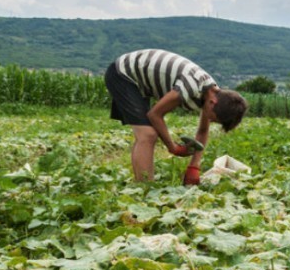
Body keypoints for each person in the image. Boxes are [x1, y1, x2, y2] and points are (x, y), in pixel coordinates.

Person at [104, 49, 248, 185]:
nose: (209, 120)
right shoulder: (191, 85)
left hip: (139, 82)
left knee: (146, 135)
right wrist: (173, 147)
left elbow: (203, 131)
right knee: (148, 135)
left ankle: (140, 184)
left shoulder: (212, 93)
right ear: (212, 103)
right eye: (213, 118)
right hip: (122, 74)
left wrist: (194, 167)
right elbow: (155, 114)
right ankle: (144, 189)